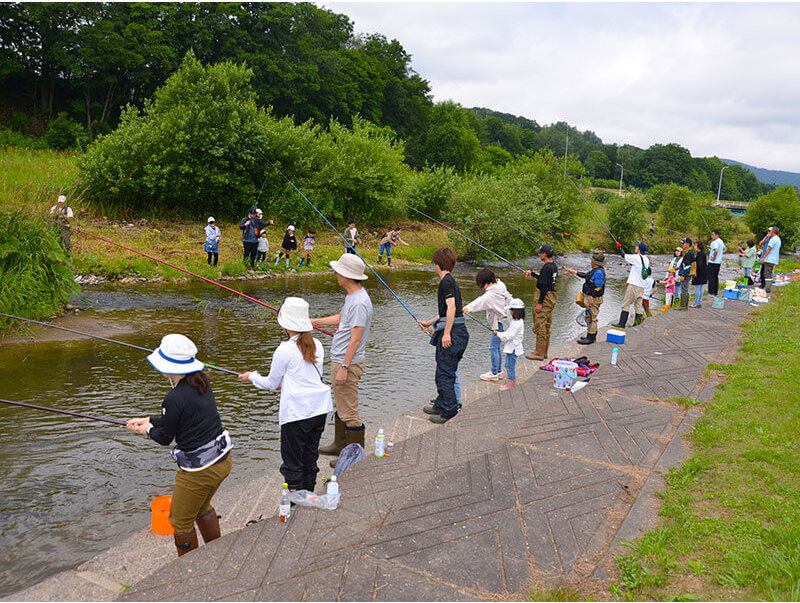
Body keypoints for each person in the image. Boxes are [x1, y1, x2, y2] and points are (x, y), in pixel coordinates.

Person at [126, 334, 232, 557]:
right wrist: (150, 421)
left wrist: (146, 431)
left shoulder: (173, 398)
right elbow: (179, 418)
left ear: (168, 366)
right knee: (201, 507)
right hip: (222, 460)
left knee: (180, 520)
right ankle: (217, 552)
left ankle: (188, 570)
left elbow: (165, 438)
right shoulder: (201, 383)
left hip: (200, 470)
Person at [238, 298, 332, 493]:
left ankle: (295, 499)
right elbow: (303, 376)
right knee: (310, 454)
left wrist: (251, 377)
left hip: (297, 412)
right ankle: (308, 493)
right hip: (319, 409)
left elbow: (272, 384)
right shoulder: (317, 344)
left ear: (285, 324)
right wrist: (286, 384)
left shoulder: (284, 350)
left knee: (292, 460)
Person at [311, 254, 373, 465]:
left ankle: (354, 456)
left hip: (347, 362)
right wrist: (312, 321)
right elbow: (340, 319)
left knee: (350, 411)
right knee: (341, 404)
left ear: (347, 275)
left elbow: (355, 340)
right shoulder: (352, 297)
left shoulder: (359, 303)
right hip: (341, 359)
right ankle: (340, 445)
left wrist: (344, 367)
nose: (335, 274)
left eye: (338, 271)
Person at [418, 248, 470, 423]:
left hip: (454, 334)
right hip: (458, 332)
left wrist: (446, 333)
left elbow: (453, 309)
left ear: (437, 264)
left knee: (445, 374)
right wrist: (430, 323)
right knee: (442, 370)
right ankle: (441, 403)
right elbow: (446, 311)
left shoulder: (446, 282)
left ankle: (449, 411)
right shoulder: (450, 281)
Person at [463, 268, 512, 381]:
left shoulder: (491, 295)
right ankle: (498, 371)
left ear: (485, 282)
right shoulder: (501, 285)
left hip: (499, 323)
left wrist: (467, 308)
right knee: (497, 347)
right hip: (504, 321)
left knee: (493, 347)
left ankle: (494, 372)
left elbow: (480, 301)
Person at [523, 244, 558, 361]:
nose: (539, 254)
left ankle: (539, 353)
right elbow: (545, 280)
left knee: (540, 325)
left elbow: (543, 286)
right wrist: (532, 274)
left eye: (540, 253)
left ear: (545, 254)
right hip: (551, 296)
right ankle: (544, 352)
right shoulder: (553, 266)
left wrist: (540, 303)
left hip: (545, 297)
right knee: (547, 324)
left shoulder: (547, 267)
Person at [563, 251, 605, 345]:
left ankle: (590, 338)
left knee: (591, 317)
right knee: (589, 316)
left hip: (594, 298)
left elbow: (599, 287)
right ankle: (591, 336)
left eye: (592, 260)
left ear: (595, 262)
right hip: (590, 297)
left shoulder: (599, 273)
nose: (591, 262)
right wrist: (574, 272)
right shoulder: (594, 270)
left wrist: (591, 297)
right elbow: (586, 276)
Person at [612, 242, 650, 328]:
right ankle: (637, 323)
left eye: (637, 246)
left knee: (626, 304)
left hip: (633, 285)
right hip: (641, 286)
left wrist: (619, 247)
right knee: (638, 305)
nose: (635, 247)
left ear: (639, 249)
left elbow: (623, 255)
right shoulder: (646, 259)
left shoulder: (636, 257)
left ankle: (621, 324)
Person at [493, 298, 525, 391]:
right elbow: (509, 334)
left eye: (511, 310)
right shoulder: (517, 321)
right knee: (509, 365)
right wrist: (500, 334)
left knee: (509, 366)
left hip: (513, 348)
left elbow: (508, 336)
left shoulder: (516, 323)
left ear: (514, 311)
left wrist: (498, 334)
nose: (510, 312)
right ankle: (510, 381)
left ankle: (510, 384)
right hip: (513, 346)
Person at [676, 238, 696, 312]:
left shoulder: (688, 253)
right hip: (688, 273)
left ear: (688, 244)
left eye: (683, 243)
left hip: (687, 274)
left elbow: (687, 266)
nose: (682, 245)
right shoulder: (688, 252)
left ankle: (683, 306)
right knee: (685, 288)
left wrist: (683, 275)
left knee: (684, 288)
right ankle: (684, 306)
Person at [760, 227, 782, 293]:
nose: (769, 232)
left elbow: (769, 249)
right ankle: (767, 287)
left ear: (773, 232)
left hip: (769, 259)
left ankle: (767, 289)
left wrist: (764, 257)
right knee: (768, 273)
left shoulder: (773, 239)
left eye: (771, 231)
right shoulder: (778, 239)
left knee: (767, 274)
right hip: (774, 259)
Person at [707, 229, 727, 297]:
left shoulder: (715, 242)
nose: (711, 236)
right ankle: (715, 292)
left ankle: (711, 292)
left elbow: (716, 250)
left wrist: (714, 257)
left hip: (713, 262)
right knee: (715, 277)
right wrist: (720, 254)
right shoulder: (721, 241)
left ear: (717, 235)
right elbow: (725, 249)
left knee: (711, 278)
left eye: (713, 234)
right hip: (718, 262)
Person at [691, 240, 708, 307]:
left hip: (699, 274)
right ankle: (699, 302)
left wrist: (695, 272)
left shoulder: (700, 254)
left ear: (698, 246)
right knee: (700, 288)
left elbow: (699, 265)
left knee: (698, 288)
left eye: (695, 245)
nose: (694, 247)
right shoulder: (702, 253)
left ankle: (696, 303)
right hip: (703, 273)